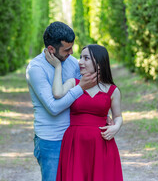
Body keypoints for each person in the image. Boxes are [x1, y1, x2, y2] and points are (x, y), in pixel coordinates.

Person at [26, 21, 98, 181]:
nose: (71, 52)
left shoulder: (72, 63)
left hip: (76, 136)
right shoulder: (36, 69)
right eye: (67, 49)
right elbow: (53, 107)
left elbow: (89, 94)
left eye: (72, 47)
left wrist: (102, 114)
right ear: (51, 49)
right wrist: (80, 87)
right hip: (51, 140)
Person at [45, 44, 123, 181]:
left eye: (86, 58)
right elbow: (57, 93)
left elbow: (117, 116)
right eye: (81, 57)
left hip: (101, 145)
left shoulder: (112, 90)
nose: (80, 62)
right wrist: (58, 67)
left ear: (99, 63)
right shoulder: (74, 83)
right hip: (75, 144)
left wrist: (116, 127)